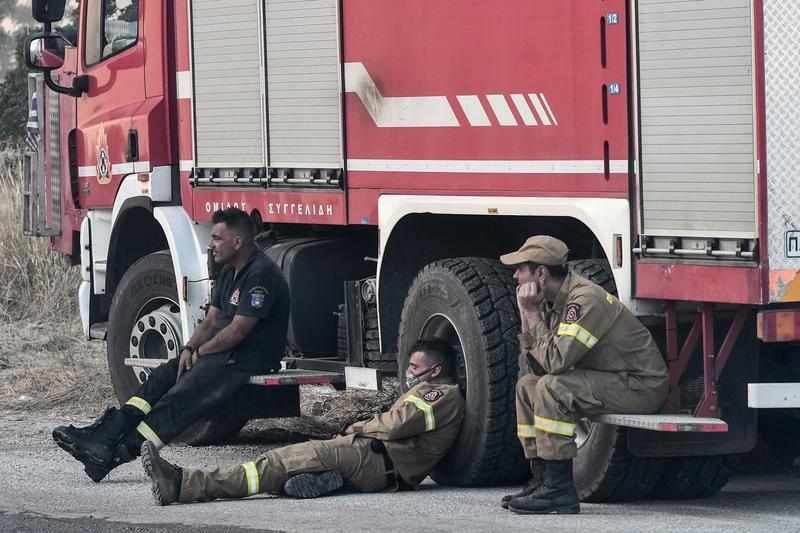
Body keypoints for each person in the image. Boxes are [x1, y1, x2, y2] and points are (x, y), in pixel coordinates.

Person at [53, 208, 290, 482]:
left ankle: (116, 454)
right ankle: (104, 437)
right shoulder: (228, 271)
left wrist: (201, 353)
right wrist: (188, 350)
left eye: (217, 238)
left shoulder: (261, 274)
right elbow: (210, 322)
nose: (210, 244)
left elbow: (237, 332)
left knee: (179, 398)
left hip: (247, 356)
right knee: (161, 378)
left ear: (238, 243)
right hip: (222, 352)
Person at [140, 338, 465, 505]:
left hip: (375, 457)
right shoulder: (432, 391)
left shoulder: (440, 394)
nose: (408, 370)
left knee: (276, 462)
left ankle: (184, 484)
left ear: (435, 370)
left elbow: (394, 426)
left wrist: (357, 428)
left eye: (414, 366)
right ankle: (323, 480)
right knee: (289, 469)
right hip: (373, 460)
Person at [498, 236, 669, 515]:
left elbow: (555, 364)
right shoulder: (551, 300)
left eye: (520, 269)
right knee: (528, 386)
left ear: (541, 273)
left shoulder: (584, 300)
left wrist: (531, 313)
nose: (515, 276)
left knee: (552, 388)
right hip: (613, 379)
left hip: (639, 385)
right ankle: (542, 481)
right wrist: (527, 315)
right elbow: (537, 370)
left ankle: (559, 491)